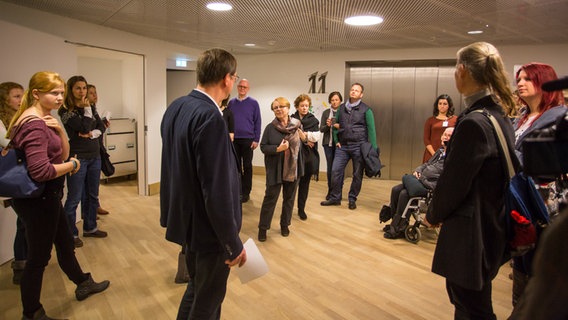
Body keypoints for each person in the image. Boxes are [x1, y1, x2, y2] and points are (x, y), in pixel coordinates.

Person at [424, 42, 518, 320]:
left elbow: (455, 182)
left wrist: (433, 214)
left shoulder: (473, 123)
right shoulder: (498, 116)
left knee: (471, 306)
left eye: (456, 67)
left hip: (472, 232)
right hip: (491, 222)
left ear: (463, 71)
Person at [7, 71, 109, 320]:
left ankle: (82, 282)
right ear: (36, 94)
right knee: (38, 258)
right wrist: (72, 166)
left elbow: (63, 151)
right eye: (54, 93)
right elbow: (41, 170)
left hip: (48, 198)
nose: (59, 97)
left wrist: (62, 133)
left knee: (64, 243)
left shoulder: (45, 119)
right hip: (38, 200)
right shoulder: (33, 124)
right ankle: (31, 312)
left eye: (61, 93)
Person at [160, 48, 247, 320]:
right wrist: (232, 243)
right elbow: (216, 189)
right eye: (234, 77)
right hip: (210, 230)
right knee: (208, 302)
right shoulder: (211, 117)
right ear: (226, 79)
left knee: (197, 288)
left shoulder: (176, 106)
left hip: (189, 221)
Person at [510, 62, 566, 307]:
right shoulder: (521, 118)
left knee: (538, 266)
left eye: (527, 79)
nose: (520, 83)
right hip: (520, 200)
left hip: (544, 203)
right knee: (521, 263)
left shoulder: (558, 116)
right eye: (519, 79)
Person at [58, 76, 108, 248]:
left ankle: (90, 227)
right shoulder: (65, 111)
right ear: (71, 90)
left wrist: (92, 134)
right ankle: (70, 234)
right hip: (77, 158)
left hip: (95, 156)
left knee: (92, 195)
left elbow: (101, 127)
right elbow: (84, 126)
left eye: (84, 88)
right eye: (78, 88)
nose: (82, 91)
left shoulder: (91, 106)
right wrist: (87, 114)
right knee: (74, 198)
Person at [384, 127, 454, 239]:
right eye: (445, 134)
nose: (446, 137)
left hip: (430, 186)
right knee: (396, 189)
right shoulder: (440, 151)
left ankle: (400, 227)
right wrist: (418, 170)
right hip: (421, 180)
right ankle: (395, 223)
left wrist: (422, 179)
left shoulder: (452, 158)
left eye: (450, 136)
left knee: (404, 194)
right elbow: (426, 164)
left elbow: (440, 180)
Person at [320, 83, 377, 210]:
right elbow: (336, 125)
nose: (353, 92)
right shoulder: (341, 108)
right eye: (352, 89)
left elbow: (372, 130)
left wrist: (373, 150)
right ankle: (335, 198)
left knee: (357, 174)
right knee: (335, 171)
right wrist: (336, 140)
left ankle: (352, 198)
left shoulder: (366, 110)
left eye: (357, 90)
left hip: (359, 146)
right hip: (343, 147)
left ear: (361, 94)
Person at [257, 97, 307, 242]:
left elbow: (301, 145)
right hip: (275, 169)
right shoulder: (270, 127)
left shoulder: (297, 125)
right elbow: (263, 147)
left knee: (289, 199)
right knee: (270, 199)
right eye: (275, 107)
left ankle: (285, 225)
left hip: (293, 169)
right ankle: (263, 227)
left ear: (288, 108)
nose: (278, 109)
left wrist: (304, 138)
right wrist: (278, 149)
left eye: (281, 106)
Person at [0, 81, 28, 284]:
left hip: (22, 177)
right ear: (4, 99)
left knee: (24, 223)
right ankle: (21, 264)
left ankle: (23, 263)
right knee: (26, 222)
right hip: (11, 178)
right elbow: (11, 144)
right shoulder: (2, 121)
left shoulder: (19, 118)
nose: (20, 100)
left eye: (22, 96)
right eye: (16, 96)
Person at [227, 78, 261, 203]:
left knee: (247, 166)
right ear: (237, 87)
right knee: (235, 167)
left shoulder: (253, 103)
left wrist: (256, 139)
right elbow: (228, 121)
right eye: (240, 86)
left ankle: (246, 192)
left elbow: (257, 122)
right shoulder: (231, 103)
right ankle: (237, 191)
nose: (242, 88)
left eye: (244, 87)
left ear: (248, 89)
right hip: (234, 140)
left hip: (248, 140)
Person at [291, 94, 320, 220]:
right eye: (302, 105)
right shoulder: (291, 119)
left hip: (308, 157)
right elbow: (290, 135)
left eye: (306, 106)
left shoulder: (313, 120)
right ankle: (289, 208)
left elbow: (316, 137)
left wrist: (304, 136)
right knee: (292, 185)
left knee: (305, 184)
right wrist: (307, 140)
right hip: (294, 156)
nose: (304, 108)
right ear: (297, 106)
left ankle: (301, 209)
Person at [86, 84, 111, 216]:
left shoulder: (94, 110)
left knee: (94, 185)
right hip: (88, 152)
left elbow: (99, 130)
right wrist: (95, 131)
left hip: (97, 148)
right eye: (91, 93)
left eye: (95, 92)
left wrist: (102, 127)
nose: (95, 95)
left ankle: (95, 207)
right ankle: (89, 211)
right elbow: (86, 129)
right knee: (88, 186)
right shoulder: (86, 111)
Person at [319, 91, 342, 200]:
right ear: (330, 101)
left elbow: (346, 128)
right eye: (332, 100)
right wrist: (328, 125)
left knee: (337, 169)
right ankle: (330, 190)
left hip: (340, 145)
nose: (334, 102)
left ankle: (338, 191)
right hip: (327, 144)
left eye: (336, 99)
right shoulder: (325, 113)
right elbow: (321, 129)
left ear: (340, 101)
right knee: (330, 168)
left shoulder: (344, 112)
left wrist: (337, 125)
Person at [422, 94, 457, 163]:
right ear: (437, 105)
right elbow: (426, 139)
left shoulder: (455, 120)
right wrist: (434, 154)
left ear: (449, 105)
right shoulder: (430, 120)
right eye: (440, 103)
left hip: (449, 155)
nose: (442, 106)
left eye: (445, 104)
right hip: (431, 154)